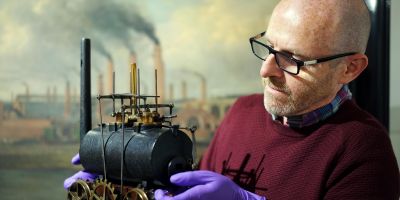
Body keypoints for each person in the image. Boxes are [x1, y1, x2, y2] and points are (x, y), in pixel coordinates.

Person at [65, 0, 400, 199]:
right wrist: (125, 176)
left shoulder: (364, 149)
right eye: (269, 48)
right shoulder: (242, 111)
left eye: (293, 60)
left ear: (350, 68)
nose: (266, 70)